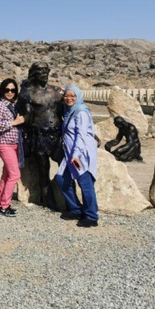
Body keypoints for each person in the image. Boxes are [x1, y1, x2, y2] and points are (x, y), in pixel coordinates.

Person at [16, 62, 64, 209]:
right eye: (40, 70)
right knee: (43, 171)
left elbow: (67, 114)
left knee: (67, 167)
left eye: (46, 70)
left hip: (57, 135)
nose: (44, 73)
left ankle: (71, 201)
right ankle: (50, 203)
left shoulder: (57, 92)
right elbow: (23, 116)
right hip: (39, 137)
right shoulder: (27, 93)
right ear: (34, 73)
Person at [54, 86, 99, 228]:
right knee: (61, 179)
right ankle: (76, 209)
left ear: (78, 96)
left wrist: (76, 155)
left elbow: (81, 135)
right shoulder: (69, 112)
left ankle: (91, 216)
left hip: (80, 156)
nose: (69, 98)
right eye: (66, 95)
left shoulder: (81, 113)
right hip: (70, 155)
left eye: (73, 95)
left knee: (85, 183)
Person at [0, 78, 25, 217]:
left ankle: (0, 202)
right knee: (15, 174)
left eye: (12, 90)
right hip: (4, 143)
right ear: (2, 90)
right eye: (7, 90)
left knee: (7, 174)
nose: (10, 92)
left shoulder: (13, 105)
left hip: (14, 144)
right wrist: (14, 122)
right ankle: (5, 205)